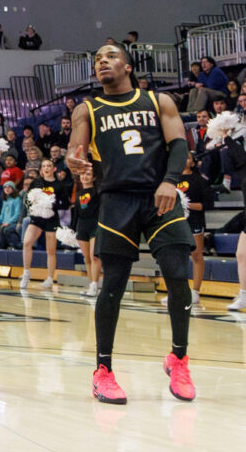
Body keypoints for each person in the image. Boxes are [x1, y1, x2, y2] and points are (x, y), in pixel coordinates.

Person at [66, 43, 195, 404]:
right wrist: (73, 162)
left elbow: (180, 145)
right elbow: (75, 151)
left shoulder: (158, 101)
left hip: (159, 196)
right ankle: (103, 370)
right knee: (113, 285)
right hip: (116, 200)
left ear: (126, 65)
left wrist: (170, 180)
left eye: (109, 56)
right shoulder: (87, 109)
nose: (102, 61)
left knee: (177, 274)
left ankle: (179, 358)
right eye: (96, 59)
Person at [19, 160, 61, 291]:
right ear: (41, 169)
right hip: (37, 217)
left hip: (51, 218)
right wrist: (34, 203)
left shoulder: (59, 185)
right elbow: (27, 199)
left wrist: (52, 202)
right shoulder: (36, 183)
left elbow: (64, 203)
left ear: (54, 169)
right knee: (26, 242)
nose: (46, 168)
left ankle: (49, 278)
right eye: (44, 166)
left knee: (51, 250)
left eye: (49, 165)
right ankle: (26, 272)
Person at [176, 151, 211, 311]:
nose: (184, 158)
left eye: (188, 157)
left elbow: (207, 204)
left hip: (195, 221)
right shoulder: (171, 180)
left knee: (196, 254)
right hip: (176, 222)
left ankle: (195, 291)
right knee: (177, 256)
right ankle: (177, 291)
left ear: (192, 162)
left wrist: (186, 205)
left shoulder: (199, 180)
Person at [72, 165, 101, 298]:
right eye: (83, 174)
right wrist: (72, 229)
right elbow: (76, 213)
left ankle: (95, 285)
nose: (85, 177)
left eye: (88, 174)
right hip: (82, 228)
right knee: (87, 259)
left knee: (94, 256)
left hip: (95, 226)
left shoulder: (98, 191)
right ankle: (91, 285)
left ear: (94, 177)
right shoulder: (78, 194)